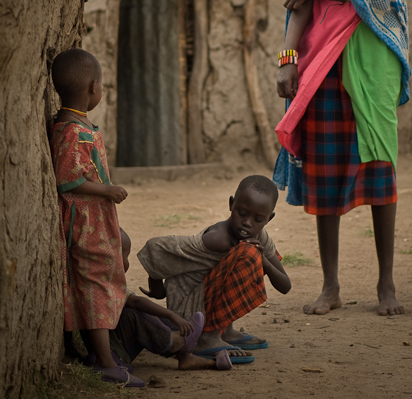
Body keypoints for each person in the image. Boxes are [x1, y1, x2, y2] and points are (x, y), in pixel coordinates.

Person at [274, 0, 412, 317]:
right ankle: (330, 286)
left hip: (371, 54)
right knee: (325, 169)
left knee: (378, 166)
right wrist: (288, 60)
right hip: (318, 59)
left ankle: (386, 285)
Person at [50, 48, 143, 387]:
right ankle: (104, 360)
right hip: (84, 221)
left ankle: (100, 351)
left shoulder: (79, 124)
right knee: (96, 284)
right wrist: (107, 191)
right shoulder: (71, 130)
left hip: (95, 219)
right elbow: (67, 179)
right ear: (93, 87)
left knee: (103, 277)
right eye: (102, 85)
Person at [137, 175, 291, 362]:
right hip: (189, 314)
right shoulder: (216, 238)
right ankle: (206, 339)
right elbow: (156, 248)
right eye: (242, 213)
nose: (248, 223)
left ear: (269, 219)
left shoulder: (259, 237)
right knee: (247, 254)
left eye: (258, 219)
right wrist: (157, 287)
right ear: (231, 204)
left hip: (208, 303)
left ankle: (225, 332)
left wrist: (264, 261)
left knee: (249, 253)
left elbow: (285, 285)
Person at [109, 229, 232, 372]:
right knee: (134, 314)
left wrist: (171, 317)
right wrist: (171, 315)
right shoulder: (102, 285)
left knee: (153, 314)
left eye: (127, 255)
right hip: (113, 351)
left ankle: (186, 357)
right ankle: (176, 341)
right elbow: (136, 302)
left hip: (119, 346)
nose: (126, 261)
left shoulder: (113, 282)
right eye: (122, 255)